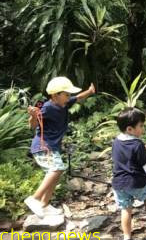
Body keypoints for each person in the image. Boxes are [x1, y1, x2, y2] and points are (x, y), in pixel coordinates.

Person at [24, 76, 95, 218]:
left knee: (57, 173)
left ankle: (44, 205)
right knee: (56, 169)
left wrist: (89, 91)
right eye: (66, 94)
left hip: (52, 147)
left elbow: (78, 97)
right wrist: (32, 116)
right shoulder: (46, 107)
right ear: (55, 95)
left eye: (69, 95)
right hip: (43, 146)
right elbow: (32, 125)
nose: (69, 97)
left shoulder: (64, 103)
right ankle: (35, 199)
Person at [112, 107, 146, 240]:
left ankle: (127, 239)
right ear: (130, 129)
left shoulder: (116, 141)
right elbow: (142, 161)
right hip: (137, 181)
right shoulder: (137, 144)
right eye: (141, 126)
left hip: (119, 182)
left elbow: (122, 156)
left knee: (126, 209)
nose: (142, 129)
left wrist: (142, 147)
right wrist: (144, 149)